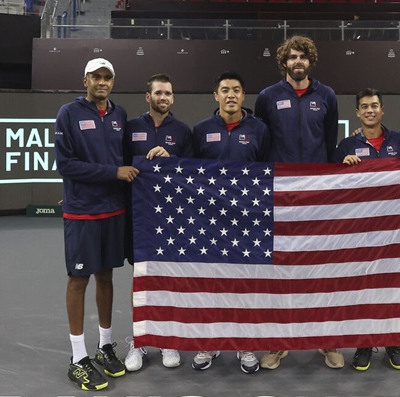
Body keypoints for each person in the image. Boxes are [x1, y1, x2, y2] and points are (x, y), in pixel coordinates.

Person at [254, 35, 342, 370]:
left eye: (303, 56)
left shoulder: (327, 96)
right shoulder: (268, 98)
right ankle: (279, 343)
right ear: (284, 62)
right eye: (291, 57)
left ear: (311, 60)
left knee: (320, 270)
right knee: (282, 271)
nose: (298, 62)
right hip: (281, 193)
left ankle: (325, 341)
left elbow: (330, 143)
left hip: (317, 194)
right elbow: (262, 144)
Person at [55, 58, 139, 391]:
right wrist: (112, 173)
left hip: (112, 211)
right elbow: (66, 164)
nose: (101, 82)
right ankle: (78, 359)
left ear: (112, 82)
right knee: (79, 279)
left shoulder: (119, 115)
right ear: (85, 79)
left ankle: (105, 346)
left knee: (106, 275)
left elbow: (126, 160)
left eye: (107, 77)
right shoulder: (68, 113)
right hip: (82, 213)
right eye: (96, 77)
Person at [191, 71, 271, 373]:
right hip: (211, 222)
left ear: (244, 95)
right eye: (225, 90)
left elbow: (267, 171)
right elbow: (189, 173)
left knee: (244, 284)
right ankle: (211, 341)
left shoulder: (259, 130)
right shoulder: (200, 130)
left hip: (247, 221)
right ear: (216, 95)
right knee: (213, 284)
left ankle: (245, 343)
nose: (231, 95)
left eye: (236, 90)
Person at [334, 88, 400, 372]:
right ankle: (364, 342)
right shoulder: (346, 146)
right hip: (361, 227)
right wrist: (344, 167)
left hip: (395, 226)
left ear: (382, 110)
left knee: (392, 284)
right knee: (363, 286)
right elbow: (333, 188)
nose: (369, 110)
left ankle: (393, 342)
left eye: (374, 105)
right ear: (357, 112)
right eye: (364, 106)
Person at [123, 73, 194, 372]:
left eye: (168, 93)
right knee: (140, 277)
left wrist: (172, 158)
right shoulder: (130, 129)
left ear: (173, 98)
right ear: (147, 96)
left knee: (166, 276)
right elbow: (119, 166)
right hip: (139, 216)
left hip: (172, 218)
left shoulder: (183, 132)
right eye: (158, 93)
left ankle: (167, 337)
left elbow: (193, 173)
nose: (163, 97)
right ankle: (139, 339)